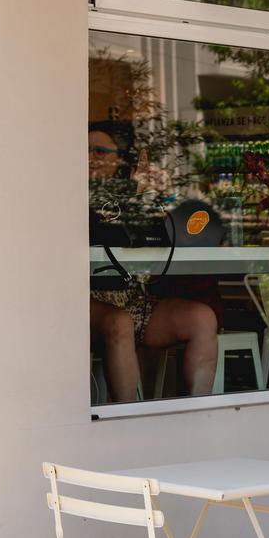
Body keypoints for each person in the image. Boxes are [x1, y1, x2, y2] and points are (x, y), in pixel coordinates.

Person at [88, 127, 220, 403]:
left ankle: (196, 415)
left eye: (99, 151)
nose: (90, 158)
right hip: (82, 302)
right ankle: (129, 420)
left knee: (202, 318)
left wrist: (167, 197)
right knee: (119, 322)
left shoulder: (134, 197)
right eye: (84, 151)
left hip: (132, 298)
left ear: (120, 159)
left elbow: (185, 236)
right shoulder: (66, 192)